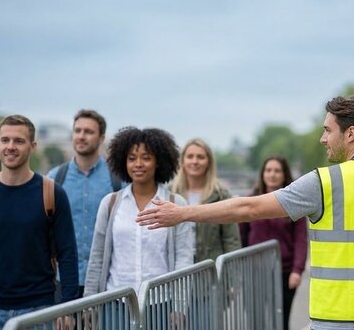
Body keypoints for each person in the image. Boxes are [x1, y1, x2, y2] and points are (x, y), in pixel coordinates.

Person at [137, 95, 354, 330]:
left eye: (328, 130)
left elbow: (248, 207)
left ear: (351, 133)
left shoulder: (324, 182)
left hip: (336, 318)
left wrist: (184, 213)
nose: (323, 139)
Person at [0, 115, 78, 329]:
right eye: (5, 140)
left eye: (19, 141)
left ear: (32, 146)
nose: (11, 146)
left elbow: (67, 254)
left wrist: (68, 309)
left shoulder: (52, 193)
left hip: (39, 310)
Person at [84, 127, 194, 297]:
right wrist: (89, 302)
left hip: (161, 303)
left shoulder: (175, 204)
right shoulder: (110, 204)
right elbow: (97, 257)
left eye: (146, 158)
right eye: (132, 158)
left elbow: (184, 258)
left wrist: (179, 307)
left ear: (158, 162)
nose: (138, 164)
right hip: (115, 303)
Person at [47, 109, 121, 297]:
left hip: (106, 280)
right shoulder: (55, 178)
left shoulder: (117, 179)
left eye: (88, 132)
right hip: (62, 280)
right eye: (77, 130)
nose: (81, 136)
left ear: (102, 137)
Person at [239, 156, 307, 330]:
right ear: (262, 174)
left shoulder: (294, 202)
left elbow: (301, 239)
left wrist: (297, 270)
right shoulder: (250, 201)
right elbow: (242, 237)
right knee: (255, 321)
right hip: (254, 272)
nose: (272, 174)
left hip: (284, 272)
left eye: (277, 170)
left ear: (284, 174)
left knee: (281, 321)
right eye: (268, 170)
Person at [171, 139, 241, 262]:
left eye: (200, 157)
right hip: (177, 269)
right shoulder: (170, 193)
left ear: (209, 162)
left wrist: (232, 275)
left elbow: (231, 239)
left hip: (210, 269)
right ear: (182, 161)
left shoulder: (220, 194)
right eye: (190, 157)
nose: (195, 161)